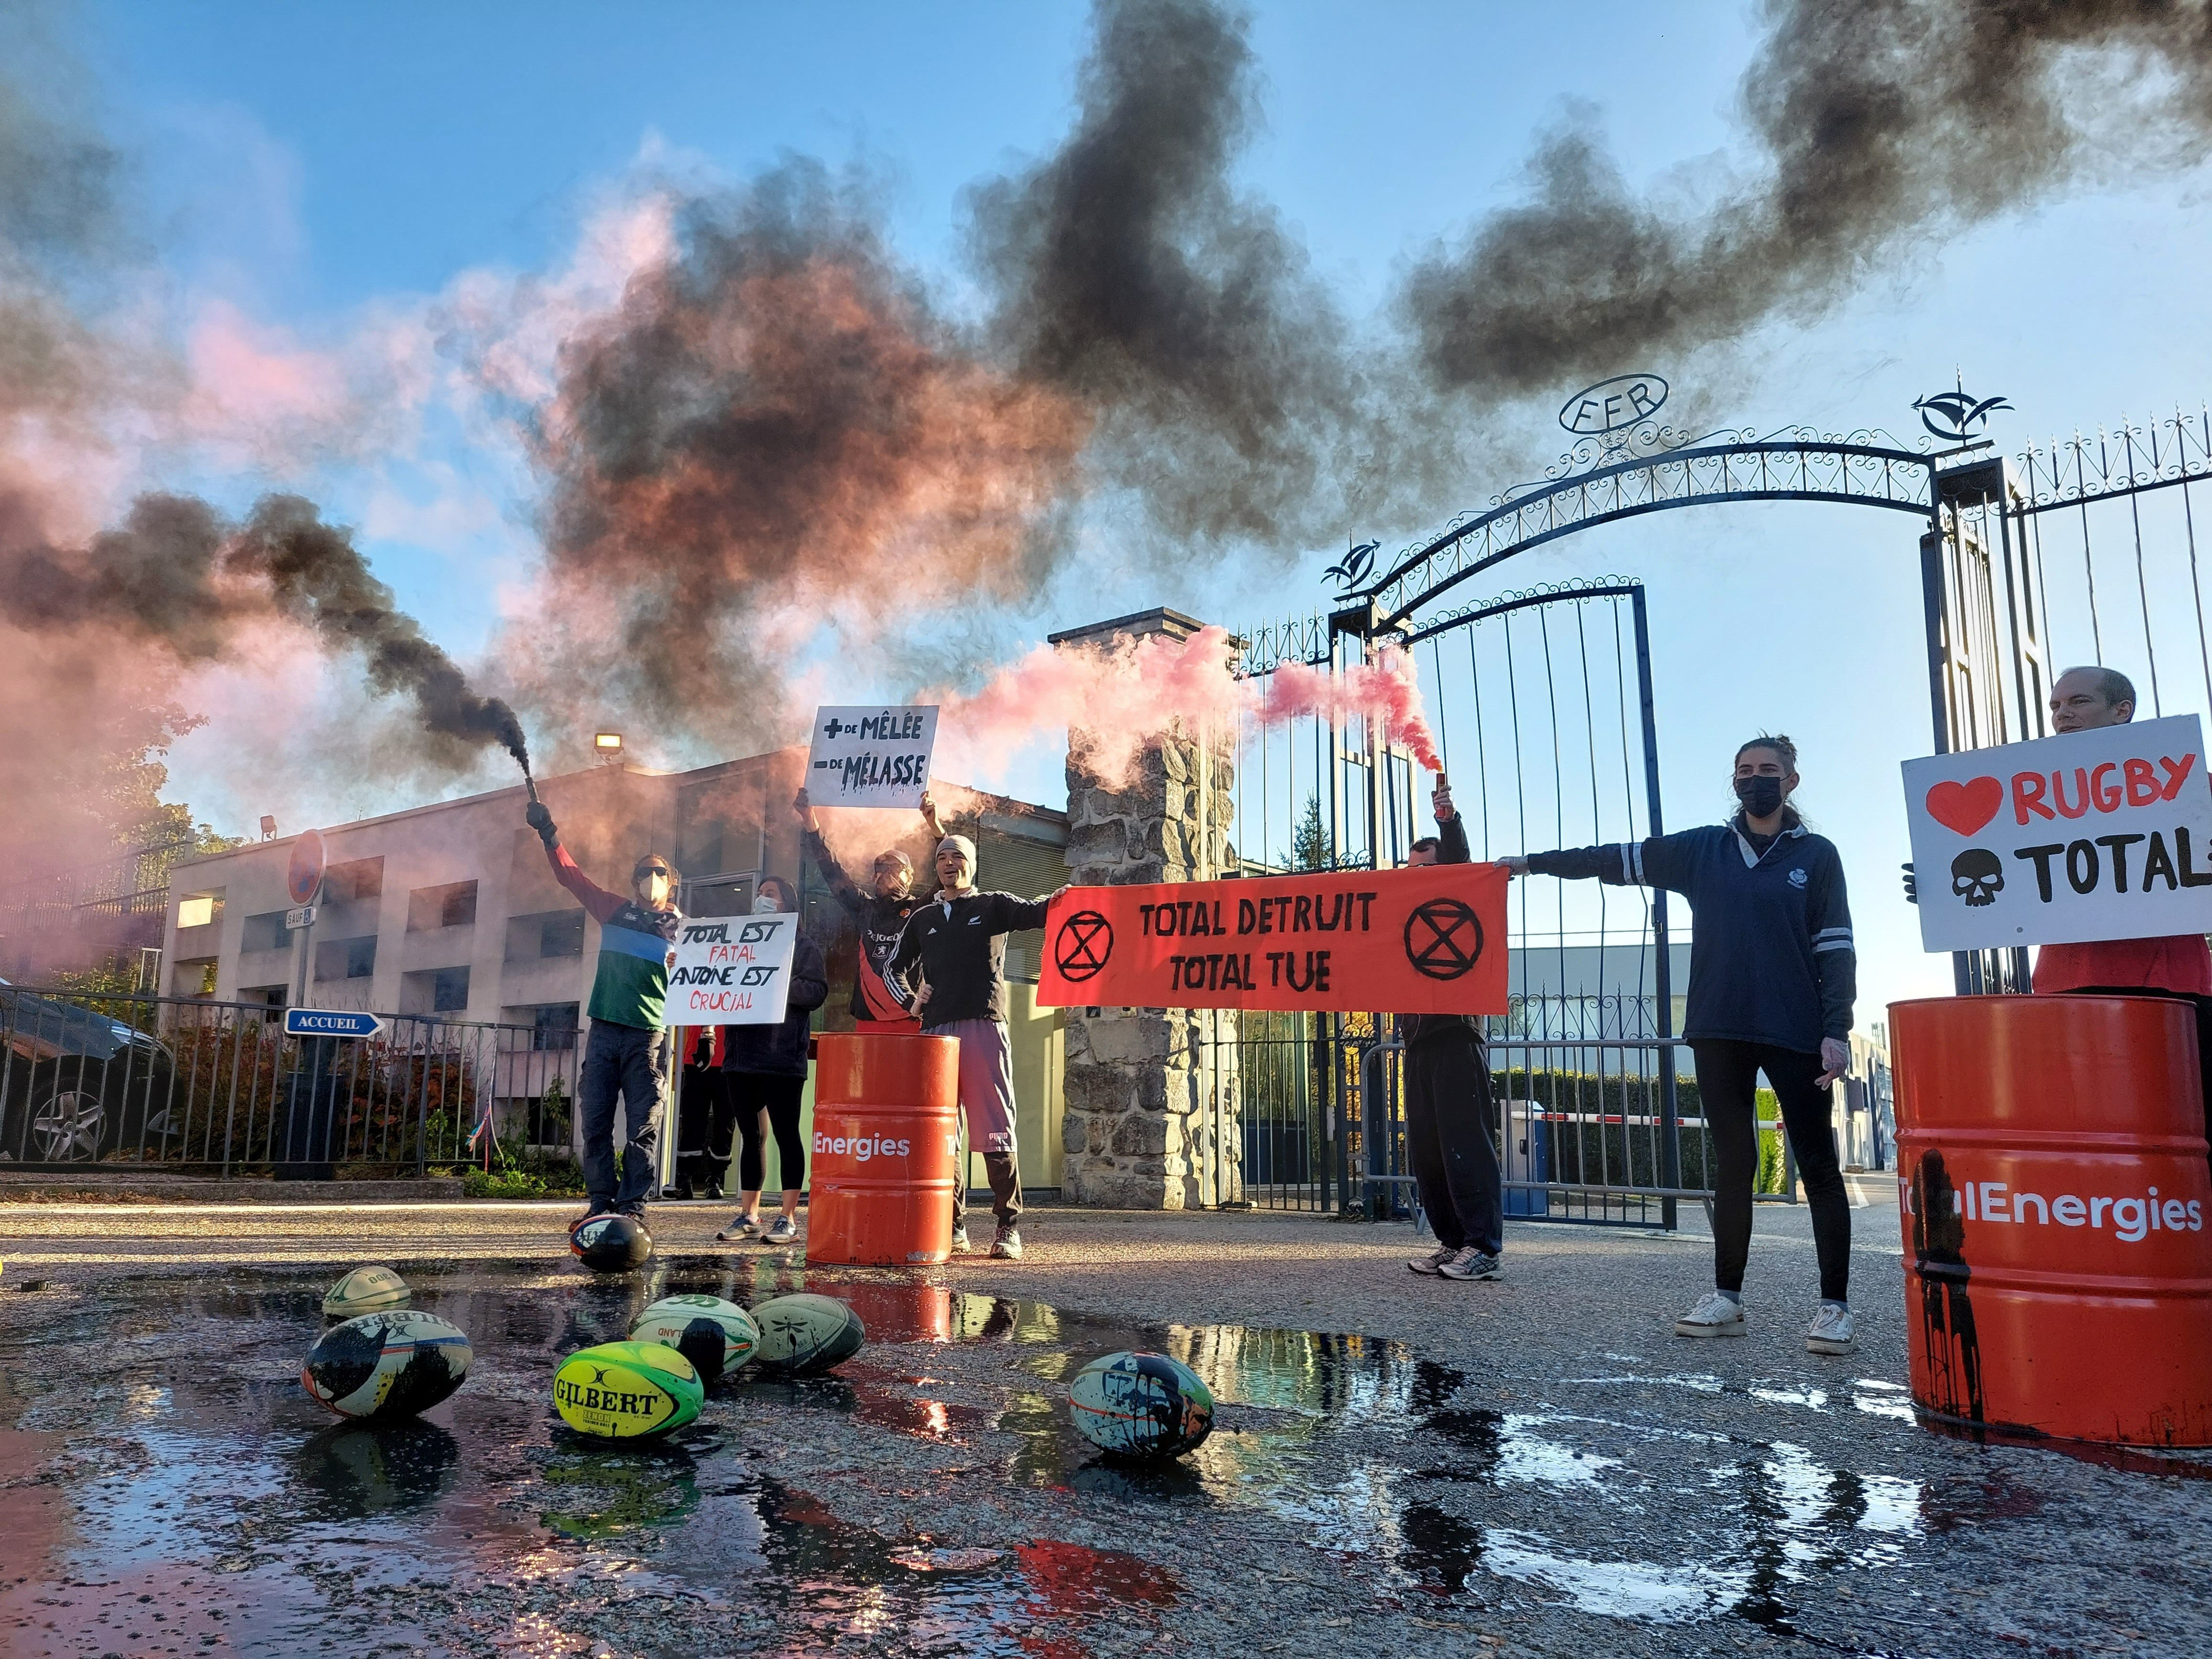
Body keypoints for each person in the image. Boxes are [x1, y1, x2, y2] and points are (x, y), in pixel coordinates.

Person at [1502, 734, 1859, 1356]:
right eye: (1744, 771)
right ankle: (1727, 1298)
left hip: (1796, 1029)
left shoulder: (1819, 856)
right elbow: (1614, 859)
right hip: (1718, 1025)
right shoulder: (1705, 850)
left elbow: (1836, 947)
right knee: (1733, 1164)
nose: (1756, 780)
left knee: (1819, 1167)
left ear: (1792, 781)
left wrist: (1836, 1029)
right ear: (1735, 781)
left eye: (1768, 770)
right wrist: (1531, 864)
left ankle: (1834, 1308)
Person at [1954, 666, 2212, 1170]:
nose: (2061, 714)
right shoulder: (2025, 796)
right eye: (2054, 706)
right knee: (2085, 1138)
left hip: (2172, 984)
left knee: (2188, 1136)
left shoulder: (2190, 784)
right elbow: (2001, 875)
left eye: (2078, 701)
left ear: (2122, 710)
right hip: (2067, 985)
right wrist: (1946, 885)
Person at [888, 834, 1068, 1260]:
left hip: (985, 1025)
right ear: (936, 868)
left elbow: (1038, 913)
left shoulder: (992, 905)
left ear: (973, 864)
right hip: (935, 1035)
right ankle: (953, 1226)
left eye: (959, 858)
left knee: (994, 1125)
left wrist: (1062, 898)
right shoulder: (922, 917)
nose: (950, 865)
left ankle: (1008, 1227)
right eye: (943, 858)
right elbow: (892, 967)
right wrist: (912, 1001)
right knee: (942, 1131)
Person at [524, 799, 680, 1232]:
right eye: (645, 872)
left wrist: (704, 1031)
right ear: (633, 881)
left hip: (647, 1034)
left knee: (642, 1127)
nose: (652, 878)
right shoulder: (615, 910)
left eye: (660, 872)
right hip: (605, 1029)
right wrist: (549, 835)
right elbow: (571, 878)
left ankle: (631, 1208)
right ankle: (600, 1202)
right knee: (594, 1122)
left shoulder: (685, 931)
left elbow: (704, 989)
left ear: (673, 883)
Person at [1401, 779, 1506, 1283]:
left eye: (1427, 869)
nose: (1416, 877)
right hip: (1416, 1043)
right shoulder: (1398, 914)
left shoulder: (1454, 901)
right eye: (1410, 869)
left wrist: (1448, 819)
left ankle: (1481, 1246)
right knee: (1428, 1150)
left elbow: (1462, 866)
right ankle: (1449, 1241)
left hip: (1455, 1039)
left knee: (1465, 1147)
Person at [714, 875, 830, 1245]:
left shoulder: (803, 945)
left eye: (771, 894)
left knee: (786, 1135)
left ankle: (788, 1217)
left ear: (788, 903)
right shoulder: (739, 942)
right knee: (751, 1137)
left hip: (781, 1056)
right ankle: (749, 1214)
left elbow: (816, 992)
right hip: (741, 1055)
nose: (763, 899)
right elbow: (716, 977)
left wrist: (779, 980)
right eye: (759, 894)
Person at [794, 786, 945, 1031]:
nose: (884, 873)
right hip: (868, 1019)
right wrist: (810, 821)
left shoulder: (919, 909)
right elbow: (832, 871)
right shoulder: (864, 908)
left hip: (911, 1016)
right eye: (879, 867)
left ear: (909, 876)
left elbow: (946, 878)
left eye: (893, 867)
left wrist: (936, 827)